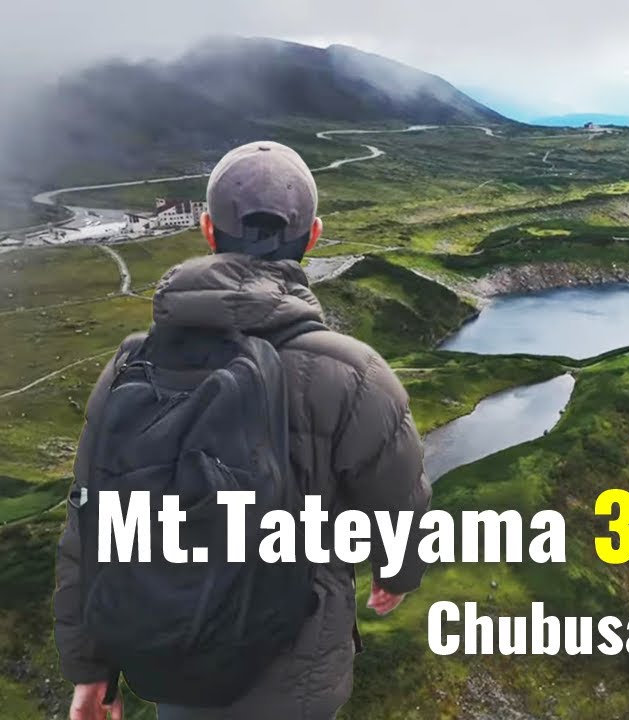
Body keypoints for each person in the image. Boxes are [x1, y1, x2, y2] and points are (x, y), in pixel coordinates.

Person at [53, 141, 432, 720]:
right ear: (314, 235)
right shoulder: (354, 373)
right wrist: (396, 575)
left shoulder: (130, 367)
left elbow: (93, 521)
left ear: (207, 230)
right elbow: (400, 505)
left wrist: (91, 668)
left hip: (172, 660)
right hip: (295, 673)